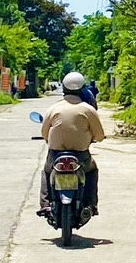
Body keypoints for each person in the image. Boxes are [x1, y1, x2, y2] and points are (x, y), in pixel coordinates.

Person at [38, 69, 105, 216]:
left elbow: (44, 133)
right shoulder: (88, 110)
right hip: (81, 155)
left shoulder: (53, 108)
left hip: (55, 154)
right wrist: (93, 138)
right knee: (92, 171)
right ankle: (91, 204)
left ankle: (45, 204)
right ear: (82, 89)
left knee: (47, 172)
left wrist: (52, 139)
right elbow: (100, 135)